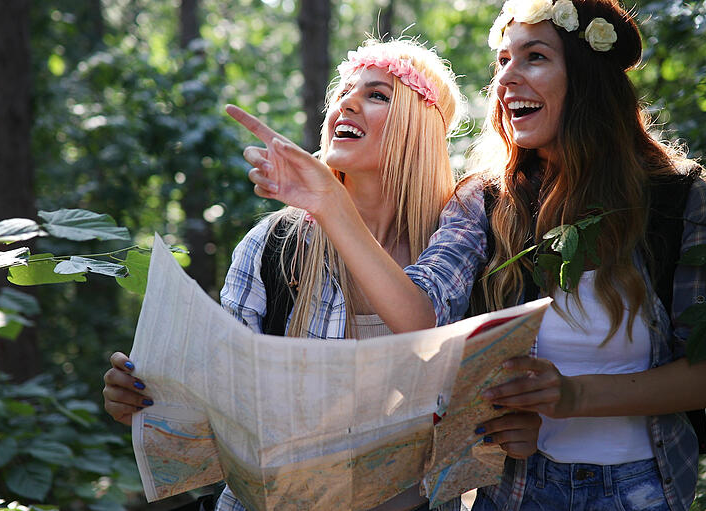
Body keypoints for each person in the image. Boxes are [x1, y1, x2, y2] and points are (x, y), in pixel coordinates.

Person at [239, 1, 706, 510]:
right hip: (519, 490)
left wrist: (572, 398)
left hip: (647, 488)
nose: (506, 79)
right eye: (502, 62)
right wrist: (329, 201)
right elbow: (424, 318)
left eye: (534, 58)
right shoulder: (485, 201)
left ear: (587, 76)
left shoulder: (676, 200)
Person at [103, 38, 537, 511]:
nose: (346, 102)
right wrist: (151, 403)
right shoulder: (273, 244)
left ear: (420, 128)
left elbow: (429, 327)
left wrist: (330, 201)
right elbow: (220, 408)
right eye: (343, 94)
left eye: (377, 94)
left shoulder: (462, 234)